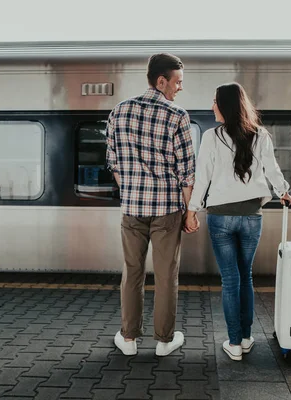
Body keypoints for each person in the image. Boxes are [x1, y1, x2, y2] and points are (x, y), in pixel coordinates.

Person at [185, 82, 291, 361]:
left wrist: (192, 209)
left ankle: (233, 342)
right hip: (251, 217)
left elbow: (203, 177)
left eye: (214, 101)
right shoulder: (260, 135)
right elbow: (272, 169)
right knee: (245, 276)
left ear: (225, 105)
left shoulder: (212, 137)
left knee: (230, 280)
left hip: (220, 217)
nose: (212, 106)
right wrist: (283, 192)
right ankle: (245, 338)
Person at [106, 53, 196, 357]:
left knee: (132, 272)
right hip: (167, 211)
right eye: (178, 81)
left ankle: (128, 340)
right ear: (162, 81)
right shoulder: (177, 115)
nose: (180, 88)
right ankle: (163, 341)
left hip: (132, 210)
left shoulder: (119, 111)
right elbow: (186, 173)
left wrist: (131, 190)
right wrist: (190, 213)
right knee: (166, 275)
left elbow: (114, 164)